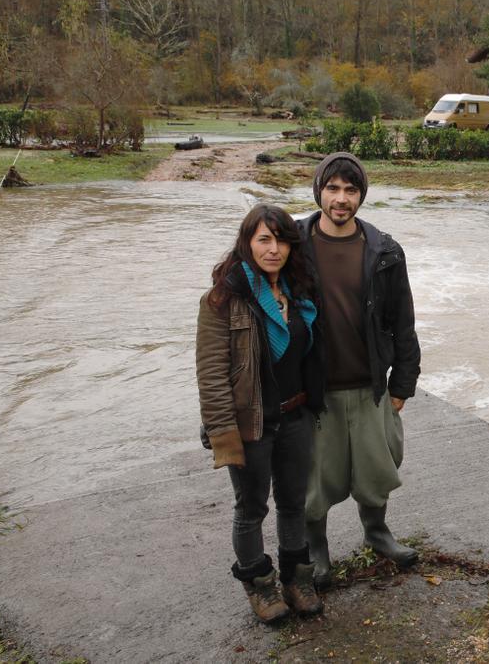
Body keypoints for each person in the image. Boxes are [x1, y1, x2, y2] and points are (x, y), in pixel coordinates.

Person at [195, 204, 326, 623]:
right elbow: (211, 375)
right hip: (250, 423)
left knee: (292, 503)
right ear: (247, 244)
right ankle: (260, 585)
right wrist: (222, 433)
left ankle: (296, 579)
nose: (274, 249)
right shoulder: (222, 300)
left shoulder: (301, 293)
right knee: (251, 509)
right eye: (263, 239)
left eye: (282, 239)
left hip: (295, 417)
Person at [299, 152, 422, 589]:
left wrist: (401, 386)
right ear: (318, 191)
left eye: (351, 190)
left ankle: (377, 533)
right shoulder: (292, 244)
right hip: (314, 392)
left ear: (361, 196)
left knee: (376, 472)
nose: (341, 198)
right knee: (315, 482)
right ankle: (317, 550)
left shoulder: (385, 251)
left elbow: (403, 323)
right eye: (332, 188)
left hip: (369, 387)